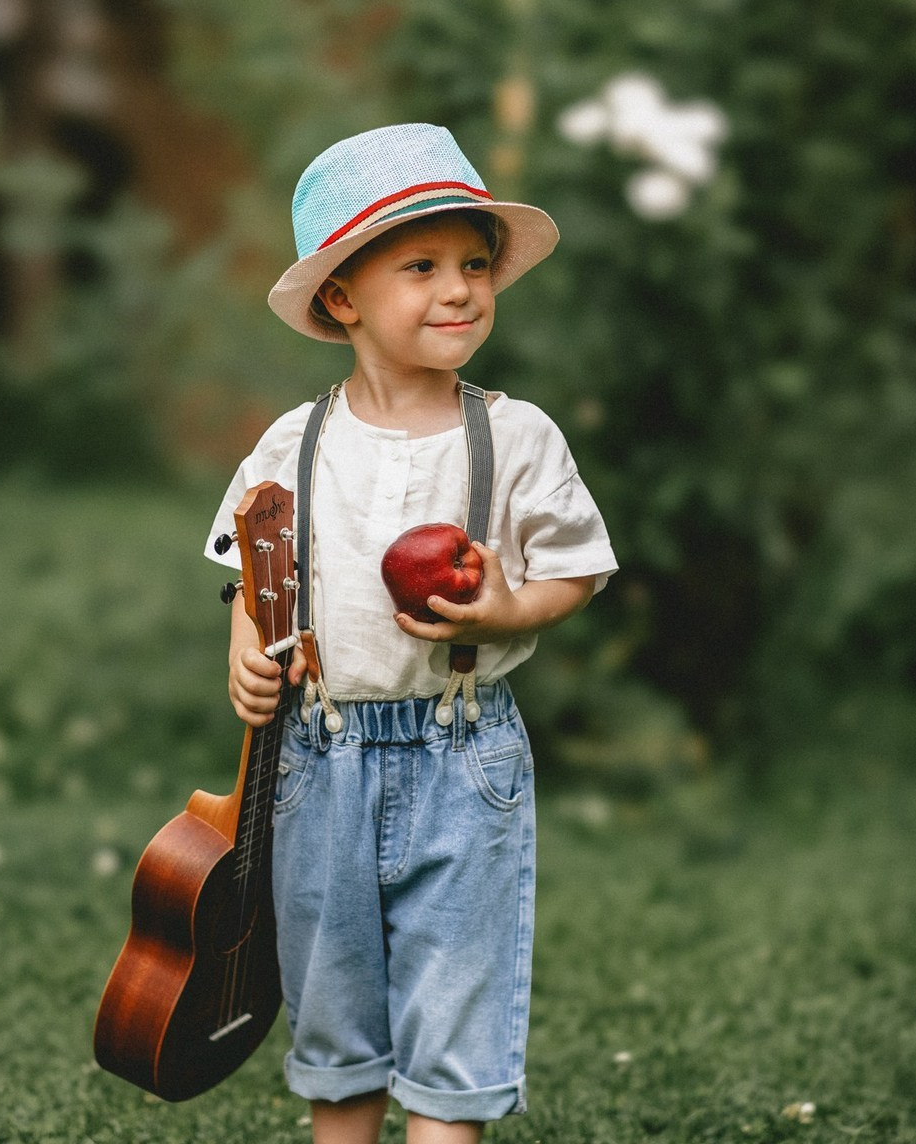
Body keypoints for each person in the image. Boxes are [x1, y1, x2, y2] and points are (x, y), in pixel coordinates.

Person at [205, 123, 616, 1144]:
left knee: (451, 1036)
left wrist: (505, 609)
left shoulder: (512, 436)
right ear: (342, 295)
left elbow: (571, 568)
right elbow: (255, 571)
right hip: (319, 759)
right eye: (421, 265)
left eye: (475, 265)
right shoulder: (292, 441)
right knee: (336, 1032)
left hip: (461, 757)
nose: (460, 289)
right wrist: (249, 654)